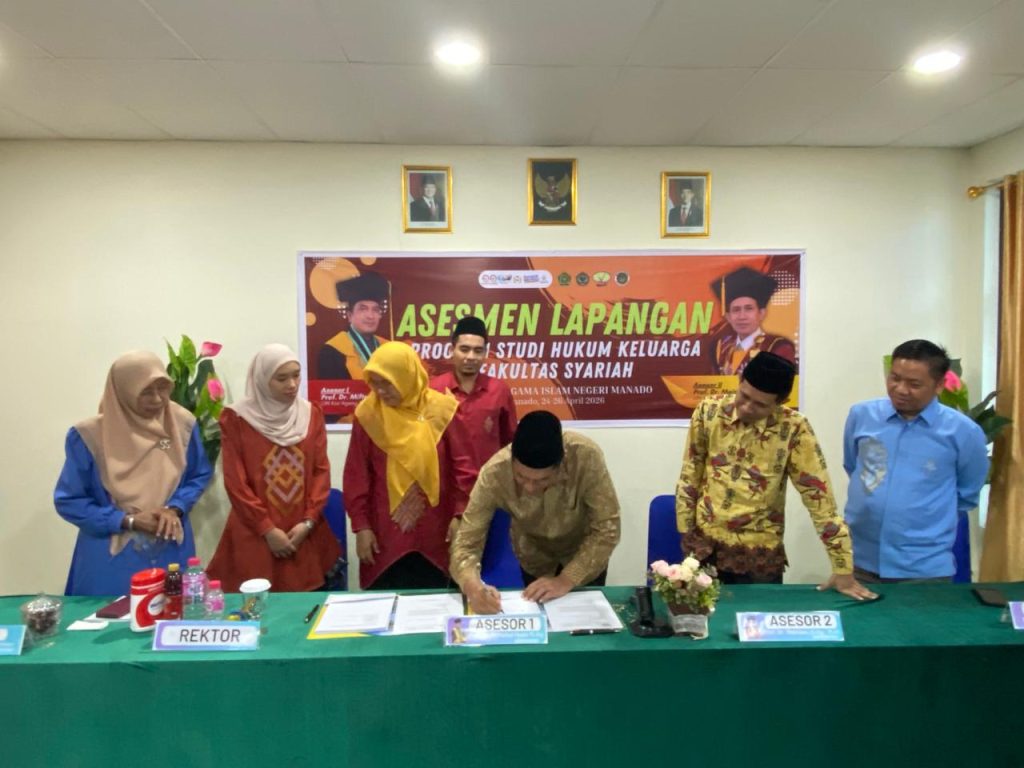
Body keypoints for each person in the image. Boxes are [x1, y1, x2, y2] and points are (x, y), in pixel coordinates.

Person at [675, 352, 875, 599]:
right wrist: (686, 534)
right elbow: (690, 473)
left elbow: (820, 500)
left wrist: (842, 567)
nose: (747, 407)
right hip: (703, 547)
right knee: (701, 619)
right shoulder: (709, 411)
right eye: (744, 396)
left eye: (760, 405)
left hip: (758, 558)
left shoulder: (794, 429)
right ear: (740, 381)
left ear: (781, 402)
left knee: (756, 620)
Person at [54, 351, 213, 596]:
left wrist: (174, 508)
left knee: (172, 614)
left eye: (163, 388)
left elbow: (198, 475)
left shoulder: (181, 424)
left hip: (170, 547)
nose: (158, 399)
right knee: (110, 616)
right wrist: (127, 520)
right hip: (112, 558)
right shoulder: (89, 436)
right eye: (146, 392)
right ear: (124, 392)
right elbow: (70, 501)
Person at [844, 340, 989, 582]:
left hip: (924, 570)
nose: (900, 389)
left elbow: (967, 493)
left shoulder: (963, 432)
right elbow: (852, 466)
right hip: (859, 562)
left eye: (914, 384)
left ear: (939, 385)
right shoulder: (862, 415)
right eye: (895, 378)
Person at [450, 410, 622, 614]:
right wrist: (473, 587)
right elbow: (466, 543)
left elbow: (607, 529)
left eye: (542, 480)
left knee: (584, 623)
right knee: (540, 620)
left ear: (559, 466)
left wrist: (566, 580)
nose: (530, 488)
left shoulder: (585, 457)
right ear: (512, 461)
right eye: (521, 477)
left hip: (584, 555)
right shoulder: (494, 473)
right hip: (534, 557)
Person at [207, 344, 340, 593]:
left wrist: (308, 522)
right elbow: (236, 482)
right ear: (262, 379)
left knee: (306, 610)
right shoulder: (237, 418)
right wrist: (267, 529)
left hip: (303, 534)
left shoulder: (311, 414)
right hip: (255, 535)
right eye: (281, 378)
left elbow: (320, 472)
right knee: (256, 607)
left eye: (296, 375)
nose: (292, 384)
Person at [343, 341, 476, 589]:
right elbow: (356, 476)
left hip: (437, 531)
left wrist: (460, 515)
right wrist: (361, 527)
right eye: (375, 383)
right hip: (384, 535)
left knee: (437, 603)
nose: (380, 391)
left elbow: (464, 470)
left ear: (407, 375)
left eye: (387, 382)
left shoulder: (444, 410)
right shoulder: (368, 415)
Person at [430, 316, 518, 476]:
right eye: (464, 349)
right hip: (446, 487)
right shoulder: (433, 390)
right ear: (451, 350)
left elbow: (510, 443)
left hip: (490, 484)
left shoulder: (499, 391)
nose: (470, 356)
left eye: (478, 351)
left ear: (485, 353)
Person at [709, 266, 796, 376]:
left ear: (761, 313)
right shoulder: (721, 349)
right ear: (728, 317)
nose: (742, 316)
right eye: (736, 310)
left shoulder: (777, 347)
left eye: (749, 309)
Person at [318, 270, 390, 380]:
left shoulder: (387, 347)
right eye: (363, 309)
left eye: (375, 310)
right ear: (350, 315)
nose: (370, 316)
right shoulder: (332, 351)